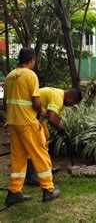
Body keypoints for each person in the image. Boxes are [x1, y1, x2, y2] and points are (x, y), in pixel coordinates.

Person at [3, 47, 60, 206]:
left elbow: (4, 105)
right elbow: (35, 102)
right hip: (28, 123)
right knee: (40, 153)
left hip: (13, 123)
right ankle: (48, 190)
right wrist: (43, 112)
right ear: (32, 60)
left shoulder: (9, 76)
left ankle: (14, 192)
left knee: (18, 158)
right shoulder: (30, 75)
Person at [25, 87, 83, 186]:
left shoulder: (59, 95)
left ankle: (44, 168)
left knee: (46, 139)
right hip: (28, 119)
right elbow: (52, 119)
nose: (71, 105)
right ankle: (30, 176)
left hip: (36, 119)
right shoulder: (57, 97)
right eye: (73, 103)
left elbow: (56, 118)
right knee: (35, 144)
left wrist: (64, 132)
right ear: (71, 97)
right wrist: (61, 130)